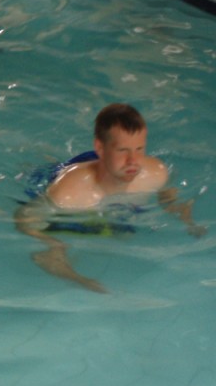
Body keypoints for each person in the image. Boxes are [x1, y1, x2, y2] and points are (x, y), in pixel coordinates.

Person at [14, 103, 204, 293]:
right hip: (76, 175)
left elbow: (167, 195)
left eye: (139, 149)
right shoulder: (69, 193)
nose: (133, 161)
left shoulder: (155, 173)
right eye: (123, 150)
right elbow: (24, 219)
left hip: (108, 169)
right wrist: (53, 245)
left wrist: (181, 213)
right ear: (100, 147)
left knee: (123, 234)